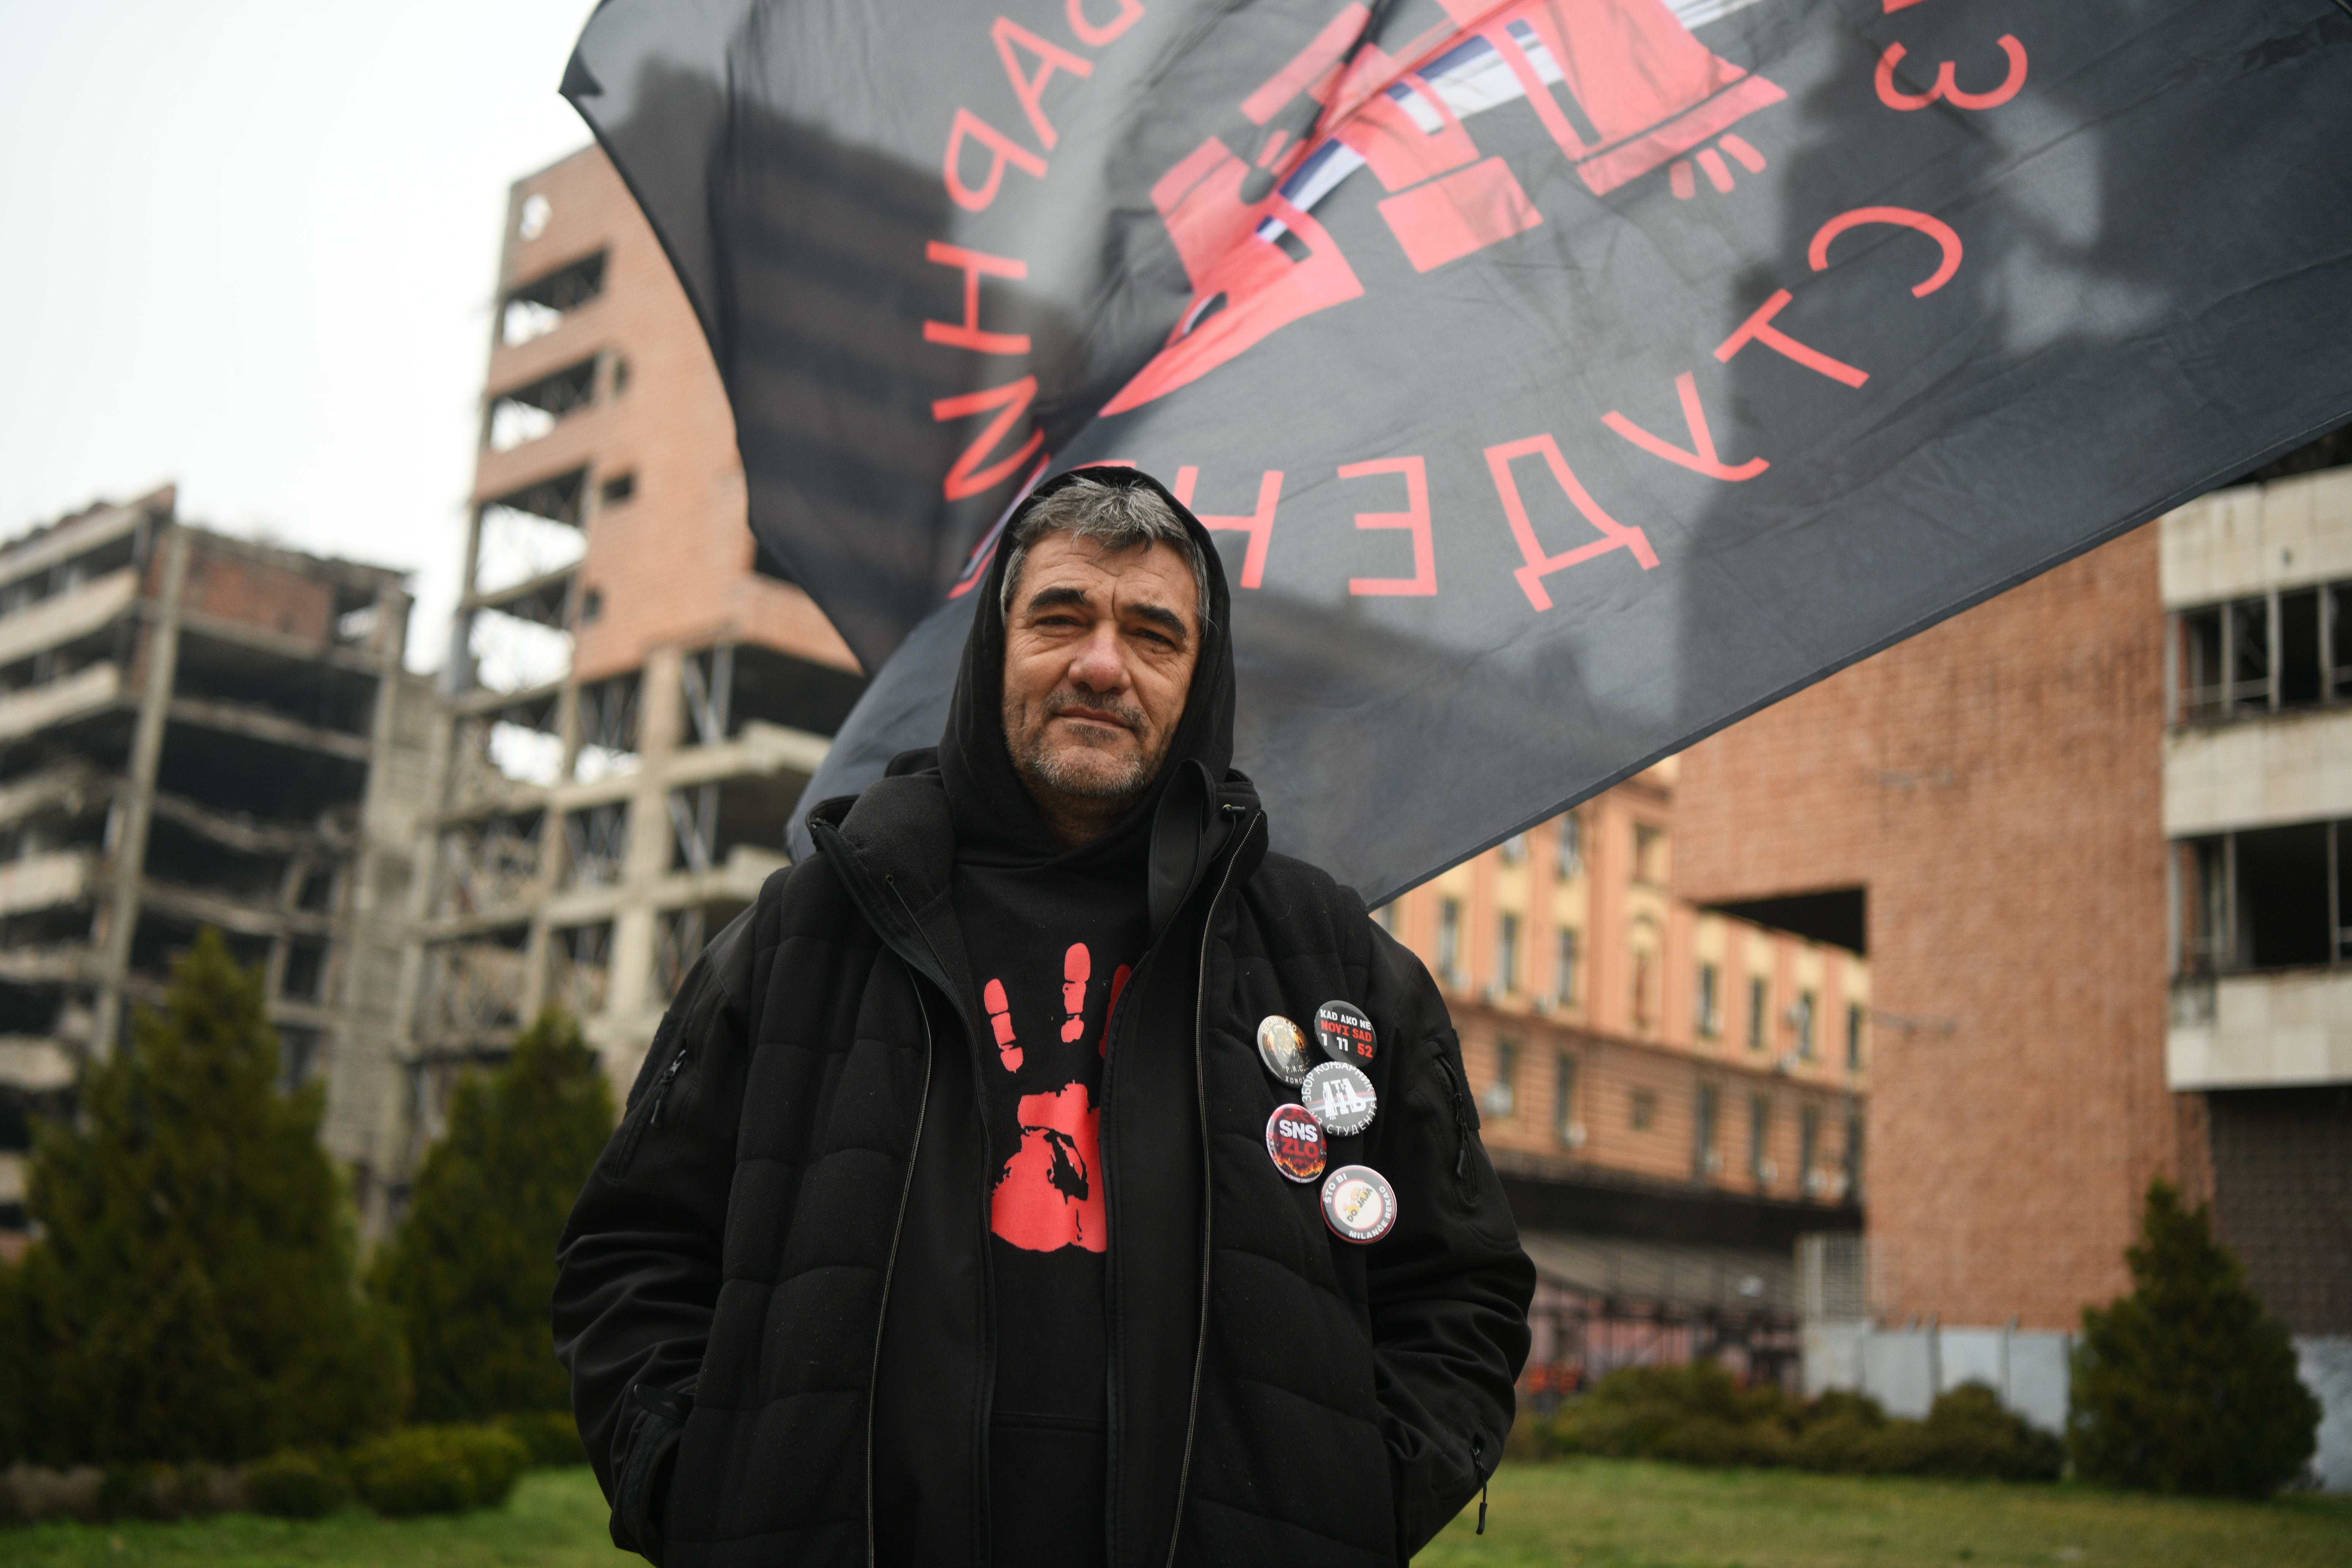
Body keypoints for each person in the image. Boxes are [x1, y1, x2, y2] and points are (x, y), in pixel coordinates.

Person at [554, 467, 1533, 1568]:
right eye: (1061, 618)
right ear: (994, 650)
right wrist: (699, 1488)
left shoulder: (1331, 959)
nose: (1102, 665)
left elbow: (1464, 1286)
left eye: (1153, 634)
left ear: (1199, 679)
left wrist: (1347, 1505)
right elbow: (629, 1251)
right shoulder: (810, 933)